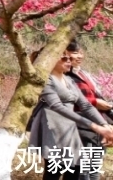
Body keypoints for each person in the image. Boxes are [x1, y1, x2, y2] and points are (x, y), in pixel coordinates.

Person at [28, 47, 113, 180]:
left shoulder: (70, 80)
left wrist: (104, 124)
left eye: (69, 58)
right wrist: (94, 126)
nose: (69, 61)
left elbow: (85, 105)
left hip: (69, 129)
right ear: (50, 60)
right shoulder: (46, 80)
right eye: (63, 58)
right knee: (55, 169)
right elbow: (57, 106)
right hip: (53, 128)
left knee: (75, 169)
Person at [67, 40, 111, 180]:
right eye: (75, 53)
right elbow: (71, 99)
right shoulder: (63, 77)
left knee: (94, 170)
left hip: (98, 126)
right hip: (82, 128)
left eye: (80, 53)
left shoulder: (84, 74)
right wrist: (95, 102)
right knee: (83, 171)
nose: (79, 56)